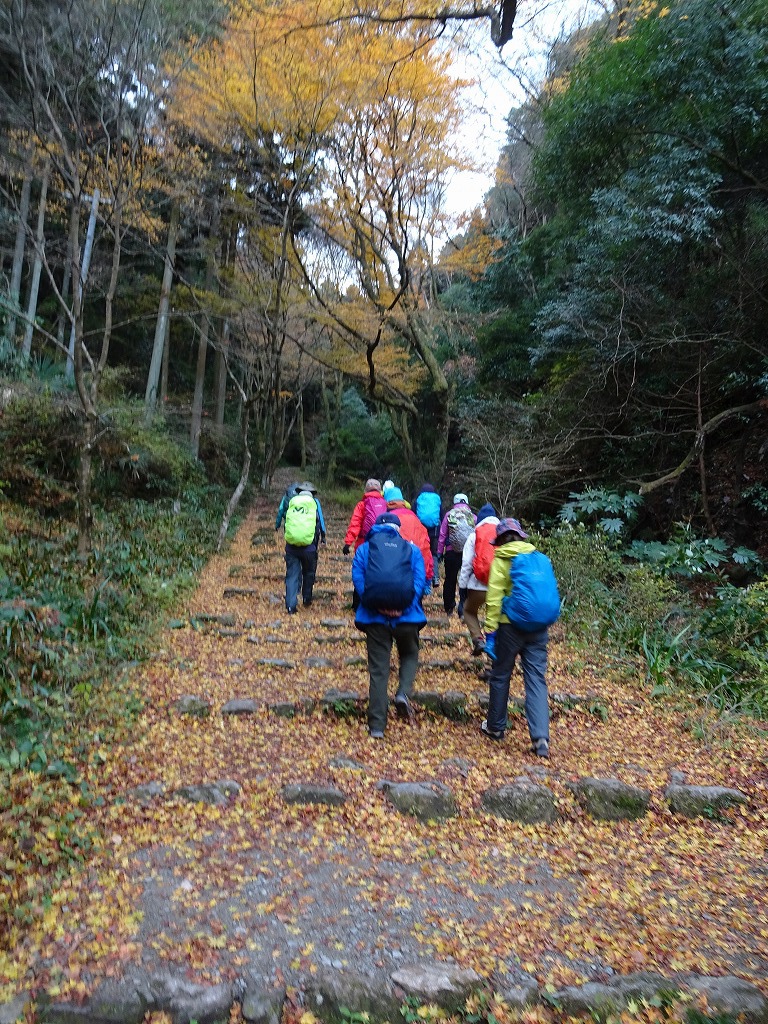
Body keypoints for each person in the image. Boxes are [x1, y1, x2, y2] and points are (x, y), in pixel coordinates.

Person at [352, 512, 427, 738]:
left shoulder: (364, 549)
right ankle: (403, 693)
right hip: (407, 619)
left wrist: (375, 605)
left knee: (379, 672)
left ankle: (377, 726)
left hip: (375, 619)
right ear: (397, 528)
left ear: (376, 528)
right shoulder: (411, 550)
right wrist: (404, 608)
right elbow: (419, 582)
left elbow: (358, 580)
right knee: (410, 654)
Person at [481, 518, 551, 758]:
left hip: (509, 627)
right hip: (539, 628)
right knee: (536, 679)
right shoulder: (537, 557)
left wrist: (490, 633)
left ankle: (496, 727)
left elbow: (494, 599)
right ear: (521, 536)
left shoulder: (502, 560)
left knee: (501, 675)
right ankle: (541, 738)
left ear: (500, 540)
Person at [458, 503, 500, 656]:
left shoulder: (475, 534)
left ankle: (478, 639)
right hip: (500, 588)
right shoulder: (504, 534)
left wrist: (462, 589)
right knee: (494, 622)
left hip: (478, 585)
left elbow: (467, 565)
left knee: (469, 611)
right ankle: (492, 666)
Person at [343, 479, 388, 609]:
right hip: (381, 543)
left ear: (366, 490)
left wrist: (348, 543)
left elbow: (355, 523)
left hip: (364, 542)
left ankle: (357, 604)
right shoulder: (385, 504)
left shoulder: (362, 504)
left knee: (361, 570)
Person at [283, 481, 326, 614]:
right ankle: (307, 597)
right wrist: (323, 536)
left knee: (292, 575)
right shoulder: (315, 503)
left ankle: (290, 606)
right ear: (312, 493)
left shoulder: (292, 501)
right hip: (309, 548)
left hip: (291, 547)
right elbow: (321, 521)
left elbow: (286, 519)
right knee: (309, 572)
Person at [436, 493, 476, 617]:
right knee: (467, 580)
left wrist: (439, 552)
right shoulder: (473, 517)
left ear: (455, 502)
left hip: (451, 552)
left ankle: (449, 607)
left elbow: (442, 535)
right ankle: (464, 608)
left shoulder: (449, 515)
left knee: (450, 580)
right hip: (468, 553)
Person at [385, 487, 434, 583]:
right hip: (416, 572)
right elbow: (425, 546)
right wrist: (428, 575)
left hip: (394, 575)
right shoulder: (415, 518)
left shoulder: (386, 521)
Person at [414, 483, 441, 588]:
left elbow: (413, 512)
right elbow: (441, 514)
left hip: (421, 530)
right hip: (434, 531)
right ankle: (435, 577)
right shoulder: (437, 498)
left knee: (421, 553)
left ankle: (423, 578)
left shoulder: (419, 498)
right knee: (433, 554)